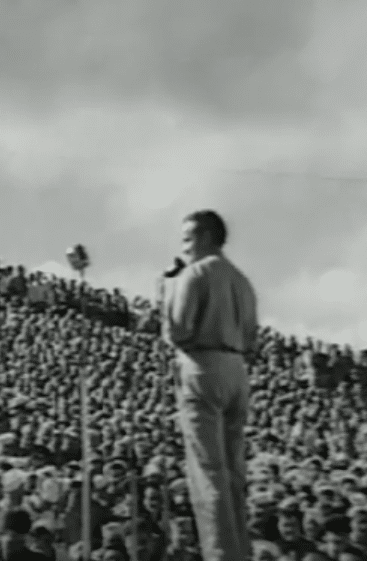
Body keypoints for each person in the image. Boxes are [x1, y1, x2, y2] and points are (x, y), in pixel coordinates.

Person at [163, 210, 258, 561]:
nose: (184, 245)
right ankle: (240, 550)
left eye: (188, 238)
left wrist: (170, 287)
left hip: (202, 366)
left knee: (208, 473)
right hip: (237, 368)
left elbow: (177, 330)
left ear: (204, 237)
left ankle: (220, 553)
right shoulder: (243, 281)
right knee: (234, 471)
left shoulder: (195, 273)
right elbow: (251, 336)